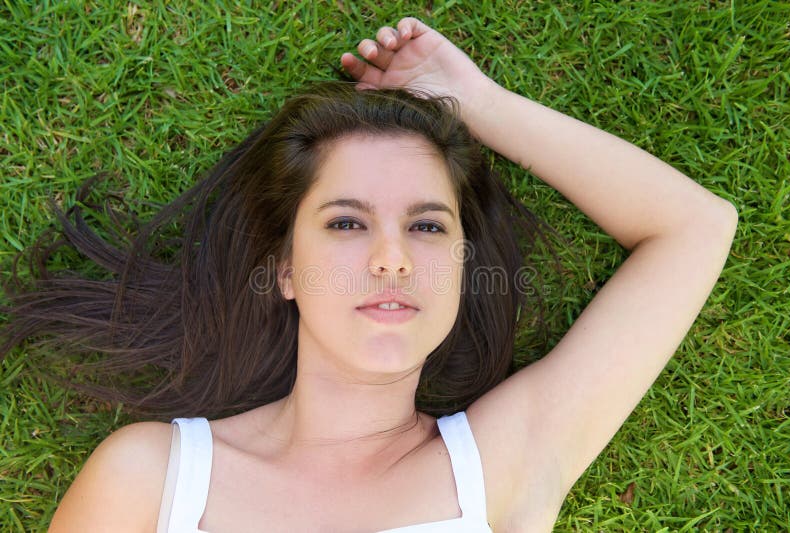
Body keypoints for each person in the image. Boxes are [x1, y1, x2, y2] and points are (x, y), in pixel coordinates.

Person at [3, 16, 737, 532]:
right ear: (285, 268)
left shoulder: (503, 464)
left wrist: (477, 103)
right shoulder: (153, 479)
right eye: (348, 222)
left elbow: (695, 228)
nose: (393, 257)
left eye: (427, 224)